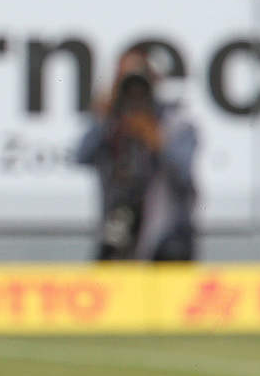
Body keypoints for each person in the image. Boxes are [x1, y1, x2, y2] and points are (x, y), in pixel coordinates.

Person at [75, 47, 198, 262]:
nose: (134, 91)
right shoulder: (110, 122)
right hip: (119, 228)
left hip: (165, 238)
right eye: (125, 80)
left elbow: (185, 175)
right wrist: (104, 119)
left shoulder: (174, 122)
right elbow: (81, 156)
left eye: (139, 80)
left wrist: (156, 140)